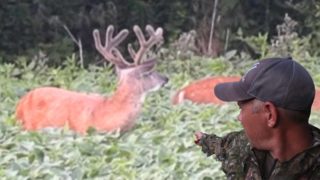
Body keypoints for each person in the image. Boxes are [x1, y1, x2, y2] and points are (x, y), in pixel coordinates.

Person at [195, 57, 320, 179]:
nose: (239, 118)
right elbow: (224, 146)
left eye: (241, 109)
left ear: (270, 114)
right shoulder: (244, 145)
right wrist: (204, 140)